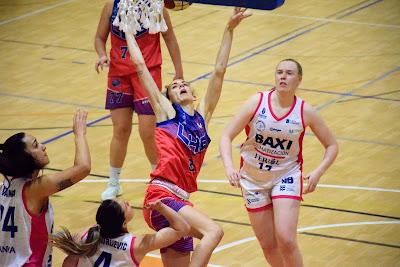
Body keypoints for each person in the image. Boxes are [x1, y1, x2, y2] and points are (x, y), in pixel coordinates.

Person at [126, 7, 251, 267]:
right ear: (169, 97)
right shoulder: (165, 113)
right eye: (174, 86)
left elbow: (219, 71)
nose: (180, 85)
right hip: (161, 196)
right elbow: (140, 67)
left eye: (184, 84)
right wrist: (127, 31)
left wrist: (228, 30)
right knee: (213, 232)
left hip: (181, 198)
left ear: (193, 95)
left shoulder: (202, 116)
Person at [219, 59, 339, 266]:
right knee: (268, 245)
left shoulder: (305, 111)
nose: (283, 76)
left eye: (289, 73)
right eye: (279, 72)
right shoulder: (257, 101)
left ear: (299, 79)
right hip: (252, 179)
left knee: (286, 239)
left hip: (286, 175)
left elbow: (332, 145)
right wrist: (229, 167)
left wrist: (318, 172)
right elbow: (226, 136)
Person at [95, 0, 184, 200]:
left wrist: (179, 71)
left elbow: (170, 39)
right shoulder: (111, 6)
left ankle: (160, 180)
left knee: (147, 132)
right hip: (119, 74)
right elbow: (100, 38)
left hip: (148, 74)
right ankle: (113, 183)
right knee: (120, 129)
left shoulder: (157, 7)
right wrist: (101, 55)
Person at [0, 110, 91, 266]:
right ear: (25, 159)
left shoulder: (4, 186)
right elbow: (83, 167)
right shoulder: (35, 189)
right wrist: (80, 134)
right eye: (36, 145)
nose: (43, 146)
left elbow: (23, 231)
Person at [50, 199, 190, 267]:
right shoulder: (135, 245)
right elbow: (182, 229)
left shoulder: (89, 234)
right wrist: (161, 207)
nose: (128, 202)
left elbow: (68, 263)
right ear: (123, 223)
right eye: (126, 205)